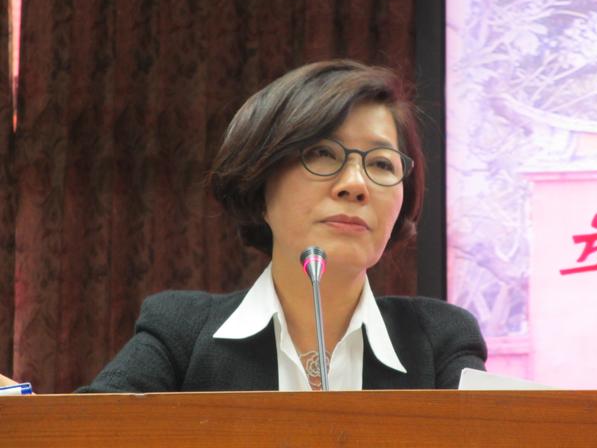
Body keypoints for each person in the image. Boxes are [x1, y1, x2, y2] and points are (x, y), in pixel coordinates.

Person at [5, 60, 487, 392]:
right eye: (322, 154)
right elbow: (89, 432)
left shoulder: (440, 339)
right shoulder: (180, 332)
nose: (356, 185)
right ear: (260, 186)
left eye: (381, 164)